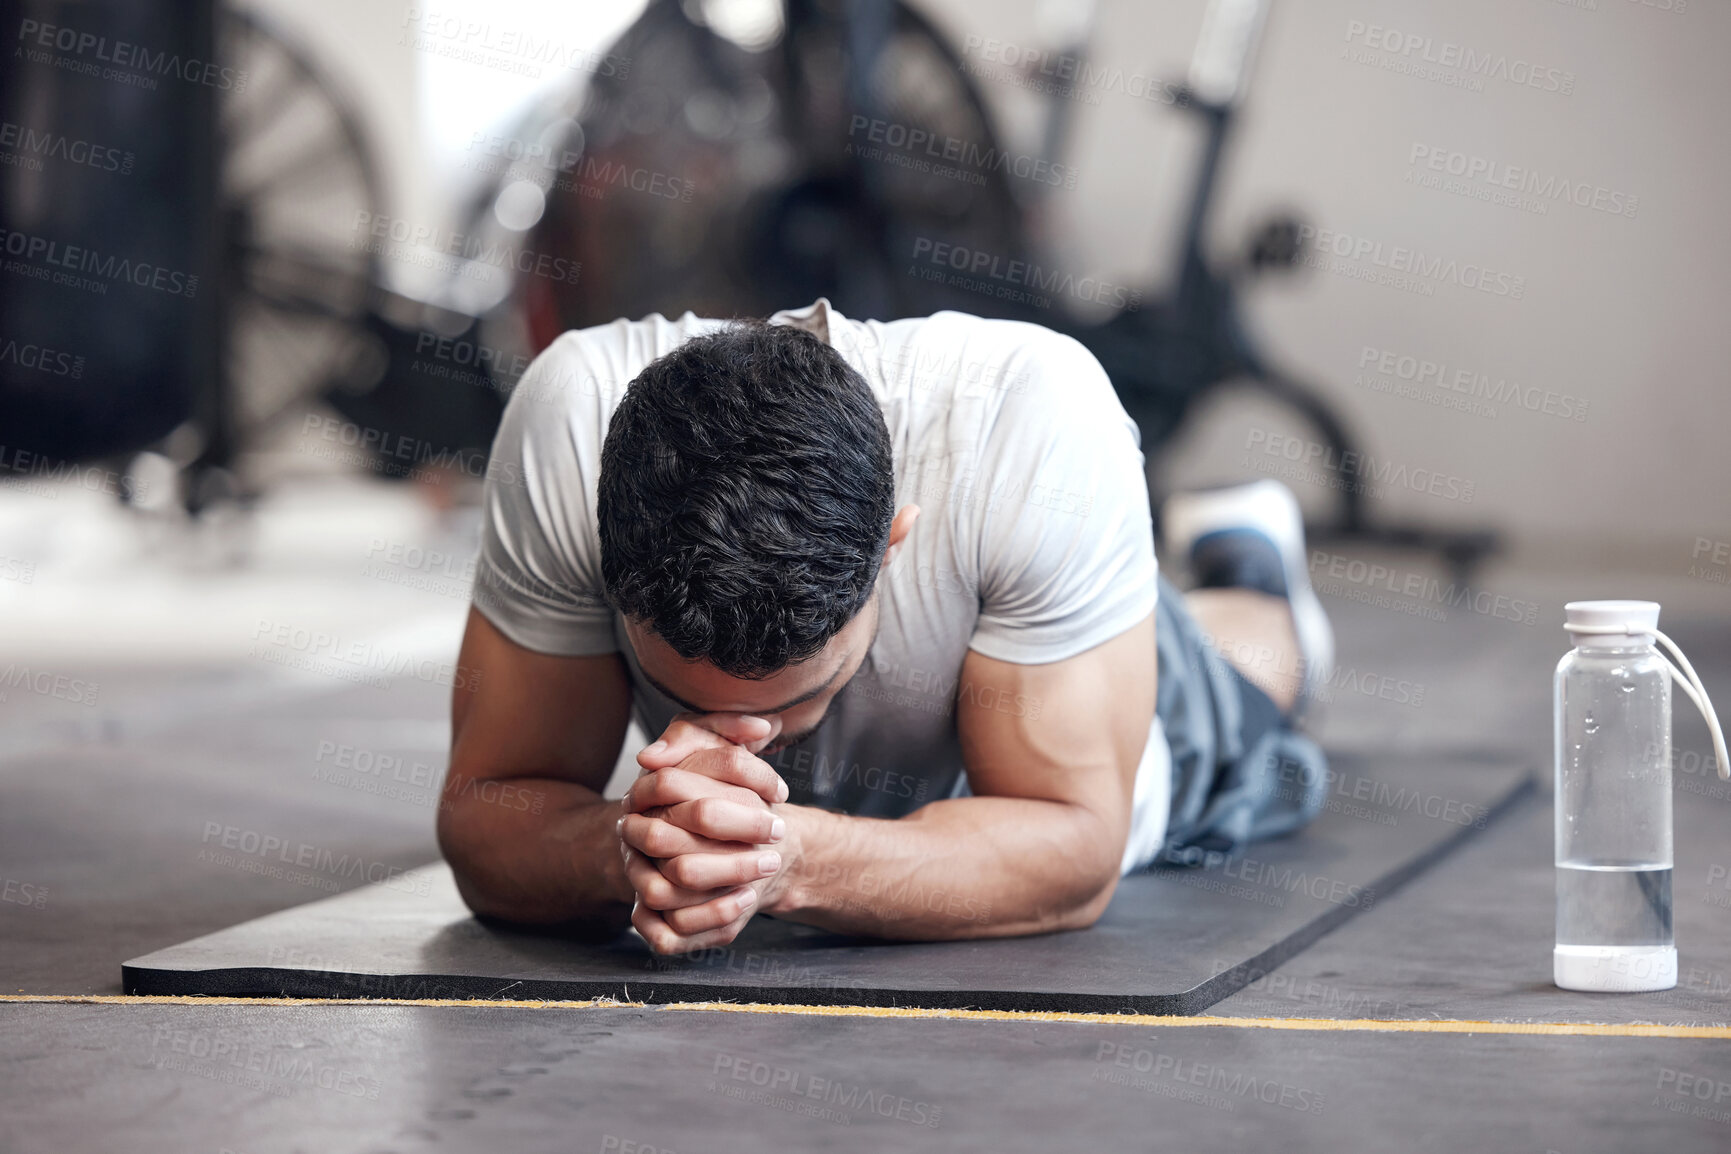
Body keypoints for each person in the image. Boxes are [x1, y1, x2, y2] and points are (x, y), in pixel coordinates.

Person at [437, 299, 1332, 955]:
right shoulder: (568, 421)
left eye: (805, 695)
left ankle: (1249, 558)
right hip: (1001, 631)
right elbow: (486, 812)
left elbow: (1076, 847)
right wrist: (630, 847)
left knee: (1252, 673)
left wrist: (782, 861)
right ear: (605, 557)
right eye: (689, 698)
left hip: (1067, 683)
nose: (752, 744)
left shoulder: (1031, 421)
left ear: (894, 543)